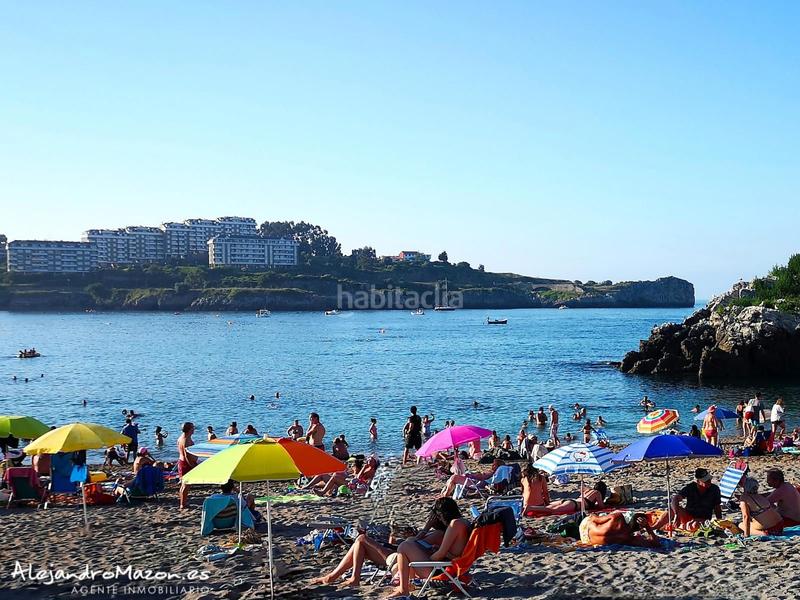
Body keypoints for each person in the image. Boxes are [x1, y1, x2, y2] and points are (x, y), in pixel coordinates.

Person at [386, 497, 472, 598]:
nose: (439, 519)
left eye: (439, 517)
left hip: (442, 569)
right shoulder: (464, 522)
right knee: (409, 543)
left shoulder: (455, 524)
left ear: (443, 514)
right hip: (451, 565)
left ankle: (404, 589)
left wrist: (425, 559)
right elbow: (454, 552)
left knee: (404, 546)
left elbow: (440, 554)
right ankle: (407, 585)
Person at [653, 468, 721, 531]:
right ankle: (654, 527)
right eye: (706, 481)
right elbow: (675, 498)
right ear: (698, 481)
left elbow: (717, 507)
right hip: (688, 515)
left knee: (695, 525)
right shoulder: (691, 487)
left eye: (709, 479)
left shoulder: (714, 489)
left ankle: (678, 526)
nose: (709, 481)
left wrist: (719, 521)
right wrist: (676, 514)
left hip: (703, 519)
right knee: (671, 510)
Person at [579, 512, 661, 548]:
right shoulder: (629, 539)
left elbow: (596, 519)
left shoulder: (617, 517)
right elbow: (656, 544)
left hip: (585, 528)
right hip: (589, 541)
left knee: (593, 517)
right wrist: (647, 526)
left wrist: (592, 515)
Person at [526, 481, 607, 515]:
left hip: (570, 501)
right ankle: (530, 508)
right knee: (552, 510)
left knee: (547, 507)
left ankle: (530, 508)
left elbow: (582, 487)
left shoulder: (588, 490)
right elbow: (601, 506)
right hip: (574, 504)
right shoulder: (597, 493)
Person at [441, 459, 505, 497]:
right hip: (476, 482)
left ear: (499, 467)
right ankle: (445, 492)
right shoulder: (495, 473)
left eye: (494, 465)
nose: (492, 466)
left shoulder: (493, 473)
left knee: (454, 477)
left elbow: (481, 477)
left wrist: (471, 475)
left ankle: (446, 494)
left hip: (475, 483)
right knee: (454, 477)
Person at [177, 422, 197, 509]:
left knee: (184, 484)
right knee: (186, 485)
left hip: (182, 462)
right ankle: (183, 504)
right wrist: (192, 466)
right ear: (189, 429)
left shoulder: (181, 438)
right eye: (192, 427)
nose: (194, 429)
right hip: (186, 463)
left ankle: (183, 502)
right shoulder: (185, 440)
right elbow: (186, 455)